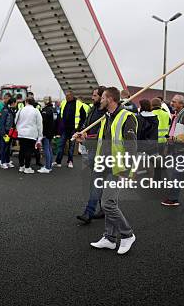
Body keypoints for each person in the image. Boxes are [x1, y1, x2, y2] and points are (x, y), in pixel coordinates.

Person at [74, 86, 137, 255]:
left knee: (107, 203)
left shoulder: (127, 117)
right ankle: (109, 238)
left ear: (109, 99)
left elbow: (132, 147)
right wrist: (83, 141)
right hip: (104, 164)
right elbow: (102, 142)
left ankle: (127, 234)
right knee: (110, 203)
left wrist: (129, 170)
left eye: (102, 98)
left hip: (118, 167)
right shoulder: (106, 118)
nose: (99, 100)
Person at [76, 86, 107, 225]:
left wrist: (87, 138)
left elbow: (103, 134)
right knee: (99, 182)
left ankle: (89, 212)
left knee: (97, 181)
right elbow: (87, 124)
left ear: (102, 97)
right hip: (90, 149)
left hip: (102, 151)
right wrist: (81, 132)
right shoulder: (93, 109)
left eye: (95, 95)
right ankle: (105, 209)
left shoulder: (108, 113)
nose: (92, 97)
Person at [55, 90, 88, 168]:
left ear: (72, 96)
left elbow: (83, 117)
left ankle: (70, 161)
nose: (66, 97)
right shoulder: (63, 103)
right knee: (61, 145)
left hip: (74, 129)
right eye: (66, 96)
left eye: (68, 96)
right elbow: (60, 116)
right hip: (65, 129)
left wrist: (79, 128)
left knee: (71, 146)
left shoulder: (79, 104)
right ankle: (58, 161)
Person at [14, 97, 43, 174]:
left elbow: (15, 120)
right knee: (28, 151)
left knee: (22, 150)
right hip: (31, 134)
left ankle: (21, 166)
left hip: (21, 133)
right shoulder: (36, 111)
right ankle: (27, 167)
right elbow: (39, 124)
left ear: (26, 102)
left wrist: (18, 129)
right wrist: (40, 136)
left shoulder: (21, 110)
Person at [151, 97, 170, 180]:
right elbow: (169, 125)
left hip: (154, 140)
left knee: (154, 158)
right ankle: (163, 166)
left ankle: (157, 178)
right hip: (164, 139)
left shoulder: (151, 113)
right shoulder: (165, 113)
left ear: (152, 105)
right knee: (162, 154)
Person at [40, 96, 57, 173]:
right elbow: (56, 121)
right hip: (52, 132)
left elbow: (43, 122)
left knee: (46, 148)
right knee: (49, 148)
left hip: (46, 132)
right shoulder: (54, 110)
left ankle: (47, 167)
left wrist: (42, 133)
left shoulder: (45, 110)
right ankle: (49, 165)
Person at [0, 97, 17, 169]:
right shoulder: (5, 110)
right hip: (6, 131)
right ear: (13, 103)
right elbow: (2, 122)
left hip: (10, 131)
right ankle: (3, 162)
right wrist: (3, 132)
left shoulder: (11, 110)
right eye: (15, 103)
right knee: (4, 147)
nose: (16, 104)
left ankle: (7, 161)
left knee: (8, 147)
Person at [0, 92, 12, 166]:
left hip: (7, 127)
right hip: (1, 127)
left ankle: (5, 159)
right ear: (5, 98)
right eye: (8, 99)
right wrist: (5, 113)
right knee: (0, 144)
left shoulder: (7, 105)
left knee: (6, 144)